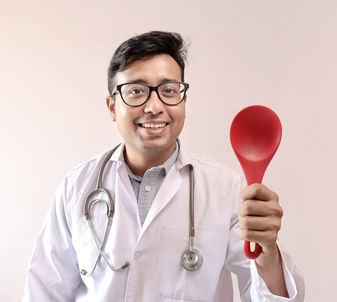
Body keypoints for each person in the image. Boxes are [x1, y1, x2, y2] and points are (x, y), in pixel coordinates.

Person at [22, 31, 304, 302]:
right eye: (136, 91)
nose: (155, 106)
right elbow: (43, 292)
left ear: (183, 101)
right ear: (111, 107)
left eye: (169, 90)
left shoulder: (225, 188)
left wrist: (267, 251)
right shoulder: (77, 186)